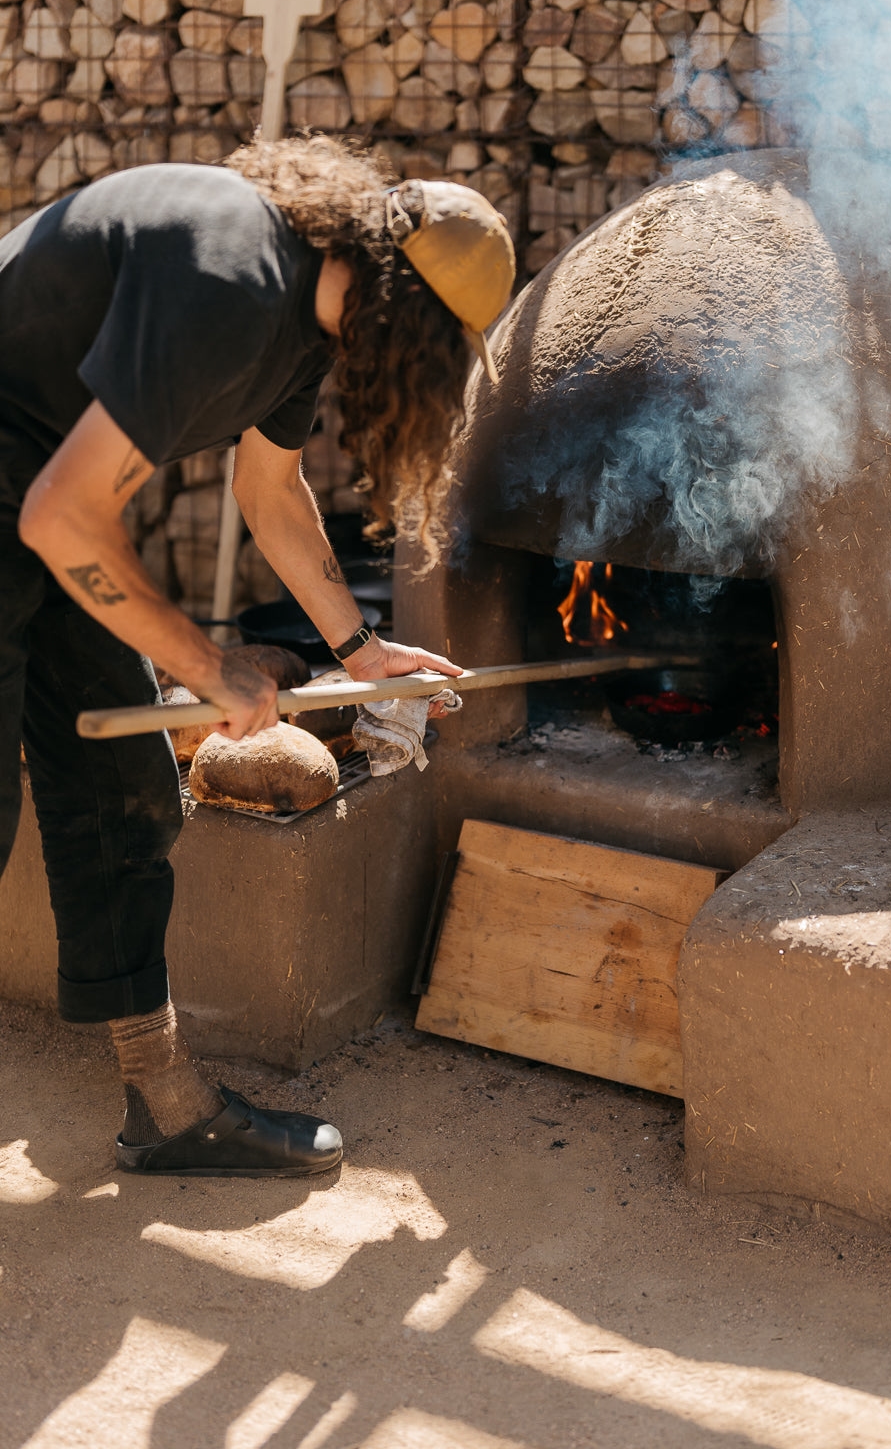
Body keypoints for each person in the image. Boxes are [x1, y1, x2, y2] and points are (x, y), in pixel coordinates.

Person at [0, 134, 515, 1178]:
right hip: (37, 495)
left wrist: (360, 647)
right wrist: (208, 666)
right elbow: (66, 518)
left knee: (123, 791)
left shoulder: (303, 318)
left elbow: (270, 494)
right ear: (410, 319)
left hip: (31, 483)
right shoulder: (231, 280)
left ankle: (166, 1102)